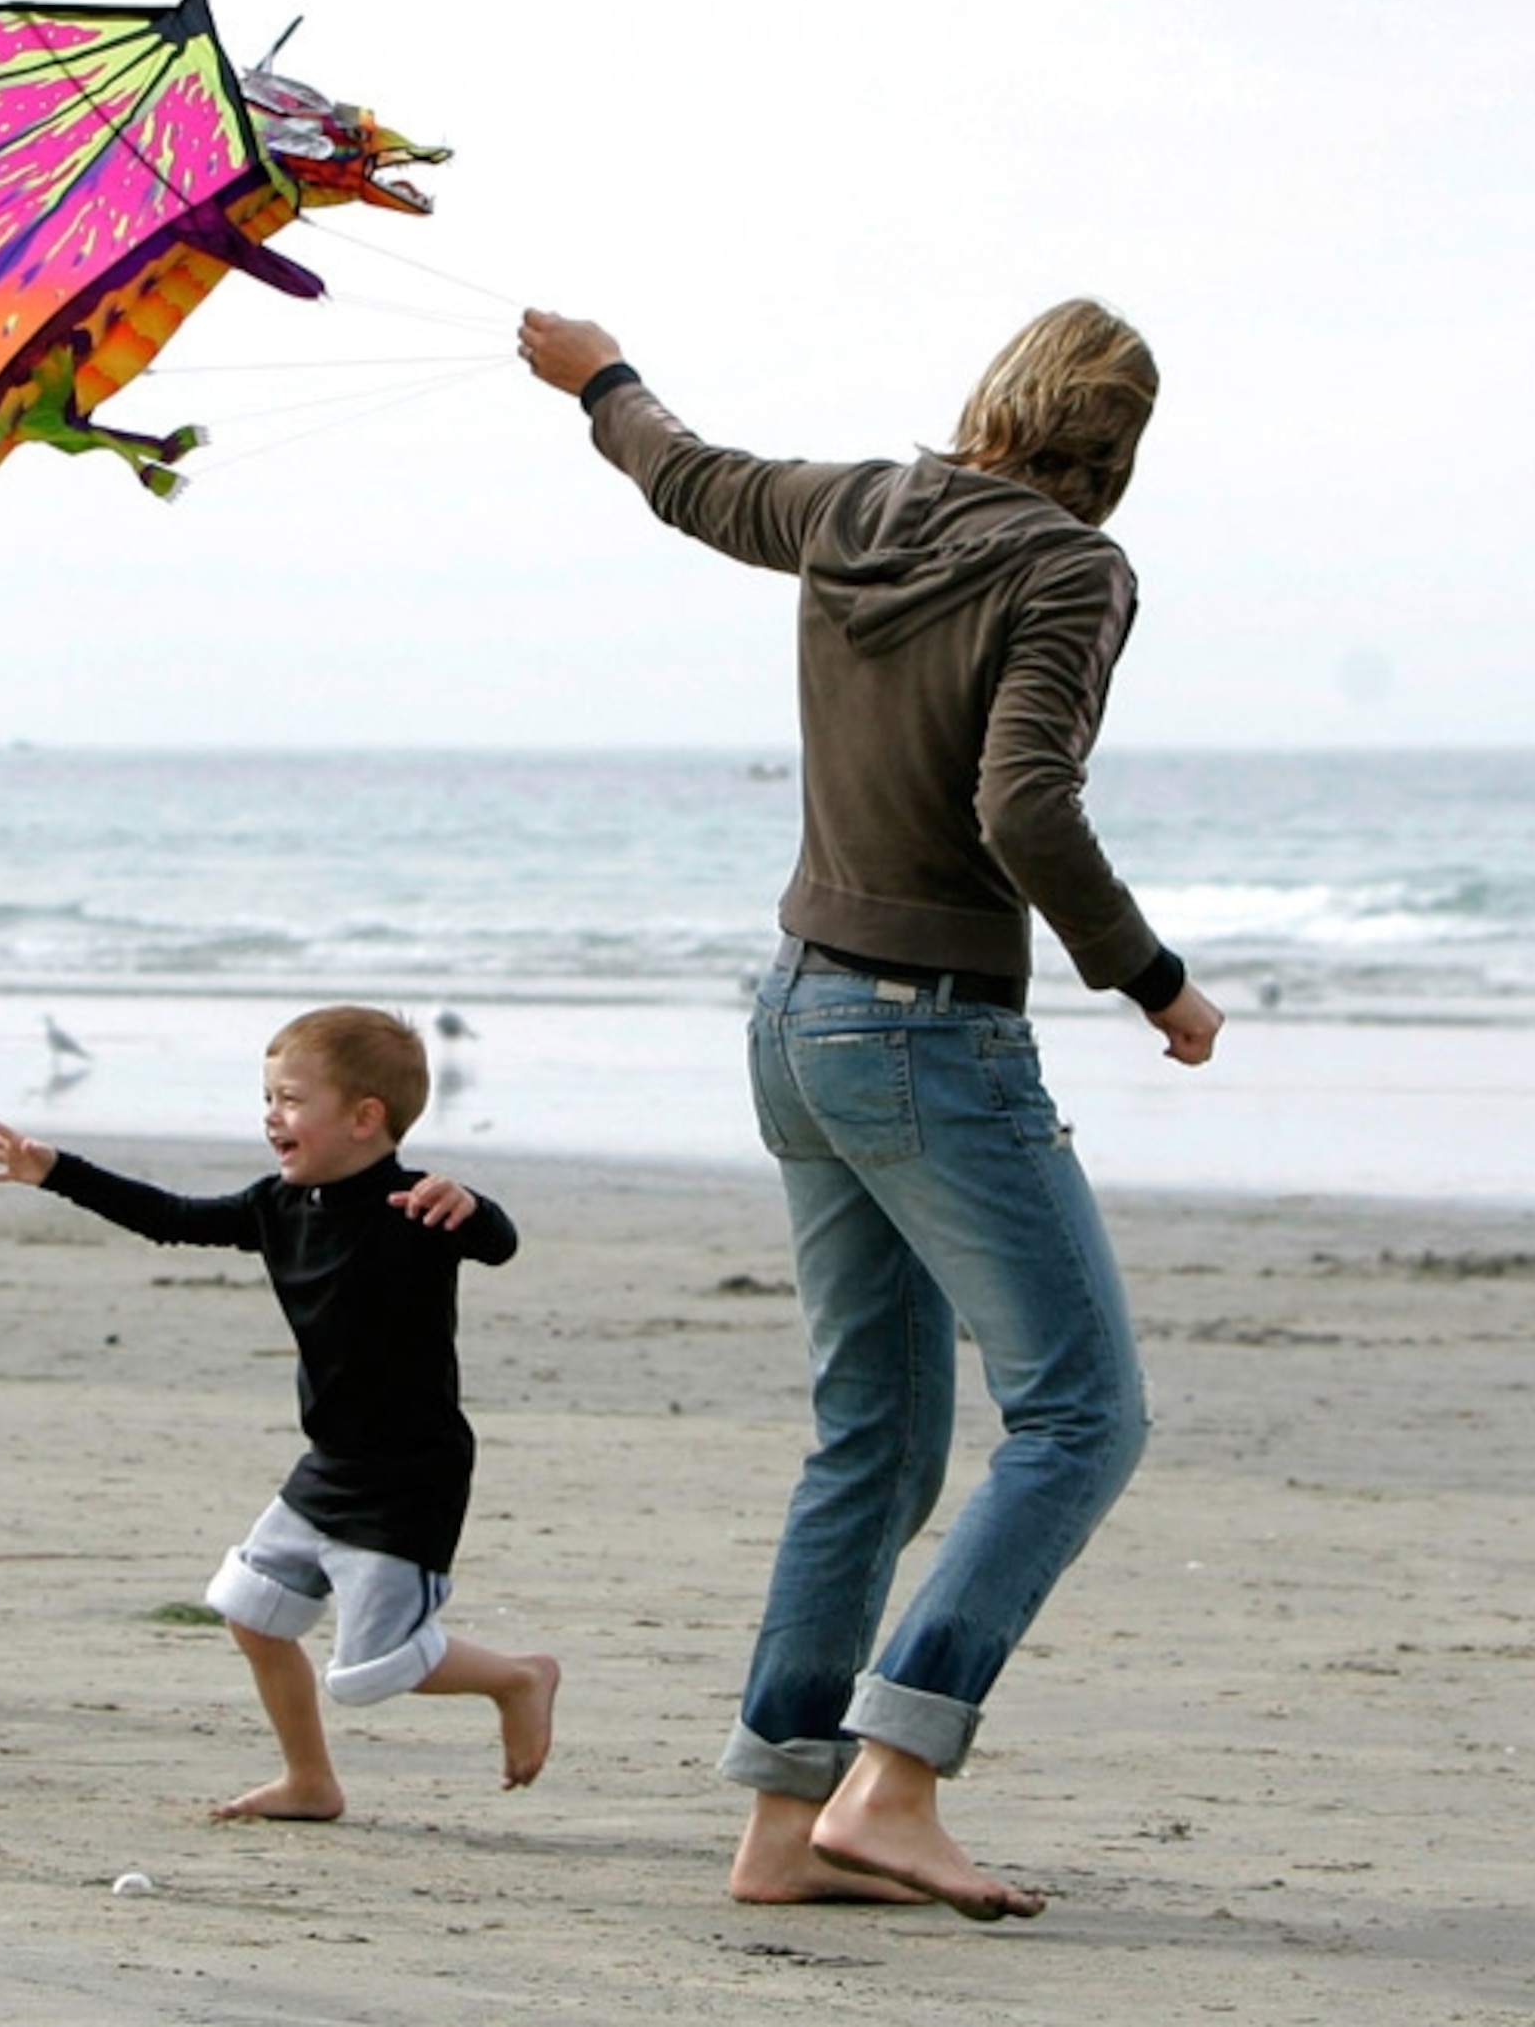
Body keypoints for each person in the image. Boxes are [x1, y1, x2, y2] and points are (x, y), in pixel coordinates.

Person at [518, 299, 1224, 1920]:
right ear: (1114, 448)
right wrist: (1149, 977)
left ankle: (779, 1825)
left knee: (877, 1442)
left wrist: (600, 377)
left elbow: (680, 475)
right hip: (923, 1033)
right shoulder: (1069, 567)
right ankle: (890, 1777)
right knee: (1078, 1417)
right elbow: (1023, 800)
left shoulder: (851, 506)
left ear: (994, 396)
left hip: (794, 1015)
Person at [0, 1005, 559, 1822]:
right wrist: (55, 1169)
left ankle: (518, 1676)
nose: (270, 1116)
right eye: (266, 1098)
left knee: (371, 1674)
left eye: (288, 1099)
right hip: (328, 1463)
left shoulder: (413, 1207)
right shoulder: (276, 1207)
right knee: (249, 1607)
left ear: (364, 1118)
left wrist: (471, 1201)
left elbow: (498, 1243)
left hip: (408, 1476)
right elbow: (170, 1219)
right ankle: (310, 1781)